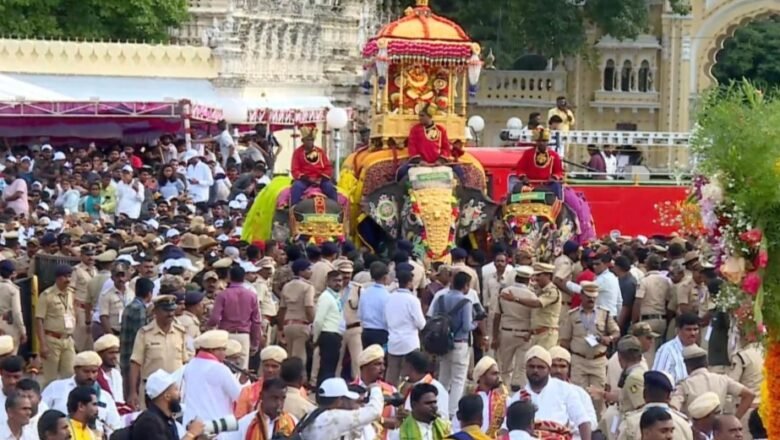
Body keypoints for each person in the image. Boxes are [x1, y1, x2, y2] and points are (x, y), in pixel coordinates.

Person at [504, 346, 592, 440]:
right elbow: (505, 428)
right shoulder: (518, 397)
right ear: (526, 368)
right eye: (532, 366)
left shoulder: (565, 390)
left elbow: (583, 421)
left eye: (540, 367)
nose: (535, 370)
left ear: (549, 370)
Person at [558, 280, 619, 414]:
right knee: (577, 396)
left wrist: (609, 338)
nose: (591, 299)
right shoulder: (572, 315)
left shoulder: (604, 313)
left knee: (598, 398)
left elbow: (616, 331)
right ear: (581, 296)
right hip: (579, 360)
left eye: (594, 297)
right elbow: (564, 340)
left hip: (598, 361)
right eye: (588, 296)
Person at [127, 295, 188, 410]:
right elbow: (135, 363)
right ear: (155, 311)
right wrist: (132, 392)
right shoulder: (144, 334)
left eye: (172, 310)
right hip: (152, 392)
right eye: (166, 310)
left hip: (175, 391)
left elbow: (185, 363)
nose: (170, 314)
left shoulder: (180, 332)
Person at [42, 351, 122, 435]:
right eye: (86, 372)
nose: (90, 376)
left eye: (94, 372)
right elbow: (41, 414)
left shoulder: (105, 396)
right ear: (75, 370)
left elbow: (114, 427)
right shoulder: (56, 387)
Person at [670, 345, 754, 419]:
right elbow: (750, 395)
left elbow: (673, 409)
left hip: (695, 432)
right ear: (706, 362)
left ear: (687, 366)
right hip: (719, 430)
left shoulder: (684, 386)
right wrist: (735, 418)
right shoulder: (722, 380)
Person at [181, 330, 241, 427]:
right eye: (223, 349)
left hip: (190, 425)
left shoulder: (190, 365)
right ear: (213, 350)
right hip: (214, 428)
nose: (225, 354)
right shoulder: (220, 369)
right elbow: (240, 396)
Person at [207, 265, 262, 370]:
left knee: (223, 368)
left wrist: (208, 327)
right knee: (242, 371)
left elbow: (214, 318)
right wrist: (255, 342)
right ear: (244, 277)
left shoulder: (222, 295)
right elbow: (256, 322)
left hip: (225, 335)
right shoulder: (252, 295)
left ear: (229, 277)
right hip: (243, 336)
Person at [434, 271, 473, 418]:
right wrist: (475, 324)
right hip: (459, 343)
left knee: (443, 377)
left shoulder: (442, 299)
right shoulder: (466, 302)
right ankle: (452, 412)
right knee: (458, 380)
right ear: (466, 285)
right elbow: (466, 327)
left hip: (443, 343)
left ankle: (439, 408)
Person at [617, 371, 693, 440]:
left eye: (671, 431)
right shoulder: (683, 423)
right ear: (669, 397)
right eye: (663, 431)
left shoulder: (630, 424)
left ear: (644, 394)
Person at [492, 265, 535, 388]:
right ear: (528, 280)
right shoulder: (531, 296)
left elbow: (497, 316)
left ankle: (504, 390)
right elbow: (534, 318)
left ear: (516, 278)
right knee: (521, 366)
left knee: (504, 367)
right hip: (524, 334)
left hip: (506, 332)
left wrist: (495, 337)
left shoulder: (505, 292)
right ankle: (519, 389)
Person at [131, 369, 205, 440]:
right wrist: (191, 433)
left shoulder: (167, 420)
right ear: (167, 396)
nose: (180, 394)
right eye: (176, 389)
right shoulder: (149, 422)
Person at [301, 378, 383, 440]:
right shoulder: (334, 418)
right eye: (347, 398)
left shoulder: (312, 413)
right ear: (339, 400)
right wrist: (375, 389)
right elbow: (374, 411)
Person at [501, 263, 560, 349]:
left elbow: (537, 303)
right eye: (535, 275)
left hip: (547, 335)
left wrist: (515, 299)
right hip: (536, 334)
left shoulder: (552, 291)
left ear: (548, 275)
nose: (536, 278)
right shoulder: (539, 289)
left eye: (539, 275)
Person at [35, 264, 77, 387]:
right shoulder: (47, 295)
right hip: (52, 340)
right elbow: (39, 320)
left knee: (70, 375)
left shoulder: (70, 293)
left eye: (69, 276)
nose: (68, 279)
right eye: (65, 277)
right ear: (58, 278)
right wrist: (42, 345)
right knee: (51, 379)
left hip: (68, 339)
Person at [400, 103, 464, 182]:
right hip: (419, 163)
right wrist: (420, 161)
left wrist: (440, 161)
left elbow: (446, 147)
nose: (419, 118)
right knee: (401, 172)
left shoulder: (441, 129)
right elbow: (412, 147)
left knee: (459, 171)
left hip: (439, 162)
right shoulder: (415, 129)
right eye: (419, 115)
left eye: (422, 116)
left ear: (429, 116)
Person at [385, 269, 426, 386]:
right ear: (409, 283)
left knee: (391, 377)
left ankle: (389, 401)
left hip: (393, 343)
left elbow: (385, 319)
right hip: (410, 344)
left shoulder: (389, 298)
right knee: (409, 377)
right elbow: (421, 324)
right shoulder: (413, 300)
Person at [452, 356, 507, 437]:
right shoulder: (469, 401)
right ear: (481, 376)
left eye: (498, 373)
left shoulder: (503, 399)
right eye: (494, 373)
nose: (498, 377)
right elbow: (455, 427)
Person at [277, 259, 316, 374]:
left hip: (288, 324)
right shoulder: (308, 287)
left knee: (289, 355)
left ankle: (287, 377)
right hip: (302, 324)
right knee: (299, 357)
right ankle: (297, 381)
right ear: (301, 272)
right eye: (308, 269)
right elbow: (309, 306)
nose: (311, 272)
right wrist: (313, 322)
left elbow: (282, 309)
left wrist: (280, 327)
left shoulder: (286, 286)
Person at [631, 255, 671, 367]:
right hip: (662, 319)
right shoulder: (667, 281)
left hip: (647, 320)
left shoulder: (644, 281)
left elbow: (638, 301)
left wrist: (634, 322)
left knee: (648, 353)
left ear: (647, 266)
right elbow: (668, 302)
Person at [230, 378, 297, 440]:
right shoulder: (246, 424)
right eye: (274, 398)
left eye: (283, 398)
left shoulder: (292, 422)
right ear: (261, 396)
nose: (279, 403)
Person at [234, 346, 288, 419]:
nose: (270, 370)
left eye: (274, 366)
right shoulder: (248, 391)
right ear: (262, 366)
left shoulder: (289, 390)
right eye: (266, 365)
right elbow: (239, 419)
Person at [119, 278, 154, 391]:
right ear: (149, 294)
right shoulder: (139, 309)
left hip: (125, 354)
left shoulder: (129, 306)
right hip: (133, 357)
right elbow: (140, 335)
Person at [290, 125, 337, 205]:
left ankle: (336, 208)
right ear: (303, 140)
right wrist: (308, 179)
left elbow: (328, 167)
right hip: (304, 180)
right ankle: (294, 210)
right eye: (307, 140)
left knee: (329, 188)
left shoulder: (320, 152)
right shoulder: (297, 153)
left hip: (321, 179)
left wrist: (320, 179)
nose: (310, 142)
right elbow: (295, 170)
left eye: (311, 140)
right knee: (296, 187)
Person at [313, 270, 345, 386]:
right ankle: (322, 394)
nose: (338, 283)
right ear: (328, 282)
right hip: (328, 334)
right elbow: (318, 320)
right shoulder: (326, 297)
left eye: (340, 280)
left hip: (335, 335)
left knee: (331, 368)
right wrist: (315, 338)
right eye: (335, 281)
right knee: (326, 368)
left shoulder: (336, 297)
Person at [513, 127, 564, 197]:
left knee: (556, 187)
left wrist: (553, 178)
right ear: (536, 141)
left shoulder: (554, 155)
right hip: (529, 185)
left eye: (544, 141)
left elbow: (559, 171)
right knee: (516, 188)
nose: (542, 143)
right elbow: (520, 168)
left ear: (547, 142)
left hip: (548, 185)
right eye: (539, 141)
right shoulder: (528, 153)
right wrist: (524, 178)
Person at [652, 312, 700, 384]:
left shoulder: (699, 352)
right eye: (688, 329)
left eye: (695, 329)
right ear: (678, 330)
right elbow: (657, 379)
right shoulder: (667, 350)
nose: (693, 333)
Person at [336, 259, 363, 381]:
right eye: (343, 272)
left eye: (349, 273)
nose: (346, 275)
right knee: (336, 359)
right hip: (337, 329)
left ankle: (358, 383)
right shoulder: (333, 289)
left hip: (354, 328)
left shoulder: (358, 289)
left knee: (358, 359)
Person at [400, 351, 448, 419]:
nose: (401, 366)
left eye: (404, 364)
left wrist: (414, 417)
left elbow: (443, 419)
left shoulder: (437, 387)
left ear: (409, 367)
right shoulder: (404, 385)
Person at [70, 246, 96, 352]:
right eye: (87, 255)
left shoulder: (95, 270)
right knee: (80, 339)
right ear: (81, 256)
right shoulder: (76, 270)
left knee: (91, 341)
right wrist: (73, 310)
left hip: (93, 309)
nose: (90, 257)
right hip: (80, 308)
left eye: (92, 255)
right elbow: (71, 290)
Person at [359, 262, 391, 348]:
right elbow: (387, 319)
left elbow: (360, 314)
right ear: (385, 277)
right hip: (381, 333)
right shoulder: (387, 296)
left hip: (366, 332)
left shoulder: (365, 292)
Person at [93, 335, 125, 409]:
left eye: (116, 353)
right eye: (111, 353)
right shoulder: (94, 375)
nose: (115, 356)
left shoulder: (116, 374)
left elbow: (119, 400)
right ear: (100, 355)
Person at [0, 261, 25, 354]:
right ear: (13, 273)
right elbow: (17, 313)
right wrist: (23, 331)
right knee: (10, 357)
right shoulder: (13, 289)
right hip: (8, 325)